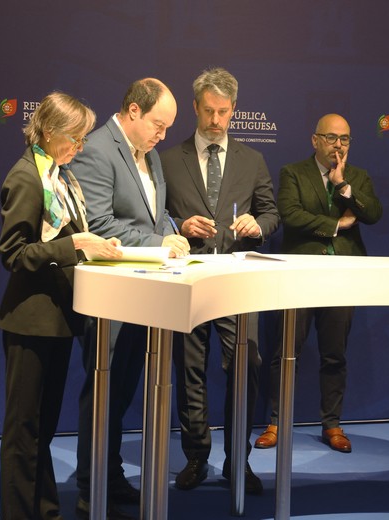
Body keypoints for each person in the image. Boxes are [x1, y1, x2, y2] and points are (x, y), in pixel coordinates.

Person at [0, 92, 123, 520]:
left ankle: (46, 511)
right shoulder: (27, 177)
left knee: (43, 431)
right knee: (23, 431)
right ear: (49, 132)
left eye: (84, 139)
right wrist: (76, 244)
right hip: (29, 322)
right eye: (75, 138)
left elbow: (66, 241)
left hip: (58, 321)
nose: (80, 147)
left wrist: (94, 246)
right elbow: (14, 254)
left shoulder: (60, 176)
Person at [72, 78, 189, 520]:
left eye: (168, 127)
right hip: (112, 297)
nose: (163, 135)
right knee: (103, 392)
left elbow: (153, 216)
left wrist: (174, 231)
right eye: (159, 124)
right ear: (134, 111)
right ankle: (90, 487)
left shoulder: (150, 154)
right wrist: (160, 243)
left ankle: (111, 473)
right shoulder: (97, 150)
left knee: (121, 393)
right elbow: (99, 225)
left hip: (144, 293)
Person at [160, 67, 280, 495]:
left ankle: (237, 460)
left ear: (234, 110)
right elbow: (155, 216)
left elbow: (270, 213)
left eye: (223, 112)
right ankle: (196, 457)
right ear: (195, 107)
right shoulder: (167, 159)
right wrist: (178, 225)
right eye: (208, 111)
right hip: (187, 279)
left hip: (236, 282)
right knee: (189, 370)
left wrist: (257, 225)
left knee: (246, 367)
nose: (215, 120)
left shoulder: (252, 160)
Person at [257, 114, 382, 453]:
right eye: (331, 137)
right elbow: (291, 215)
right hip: (300, 273)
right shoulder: (293, 173)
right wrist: (337, 225)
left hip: (342, 276)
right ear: (315, 140)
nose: (338, 145)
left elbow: (373, 213)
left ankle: (333, 424)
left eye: (344, 139)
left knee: (334, 354)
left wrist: (343, 186)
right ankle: (276, 421)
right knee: (286, 351)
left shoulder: (358, 177)